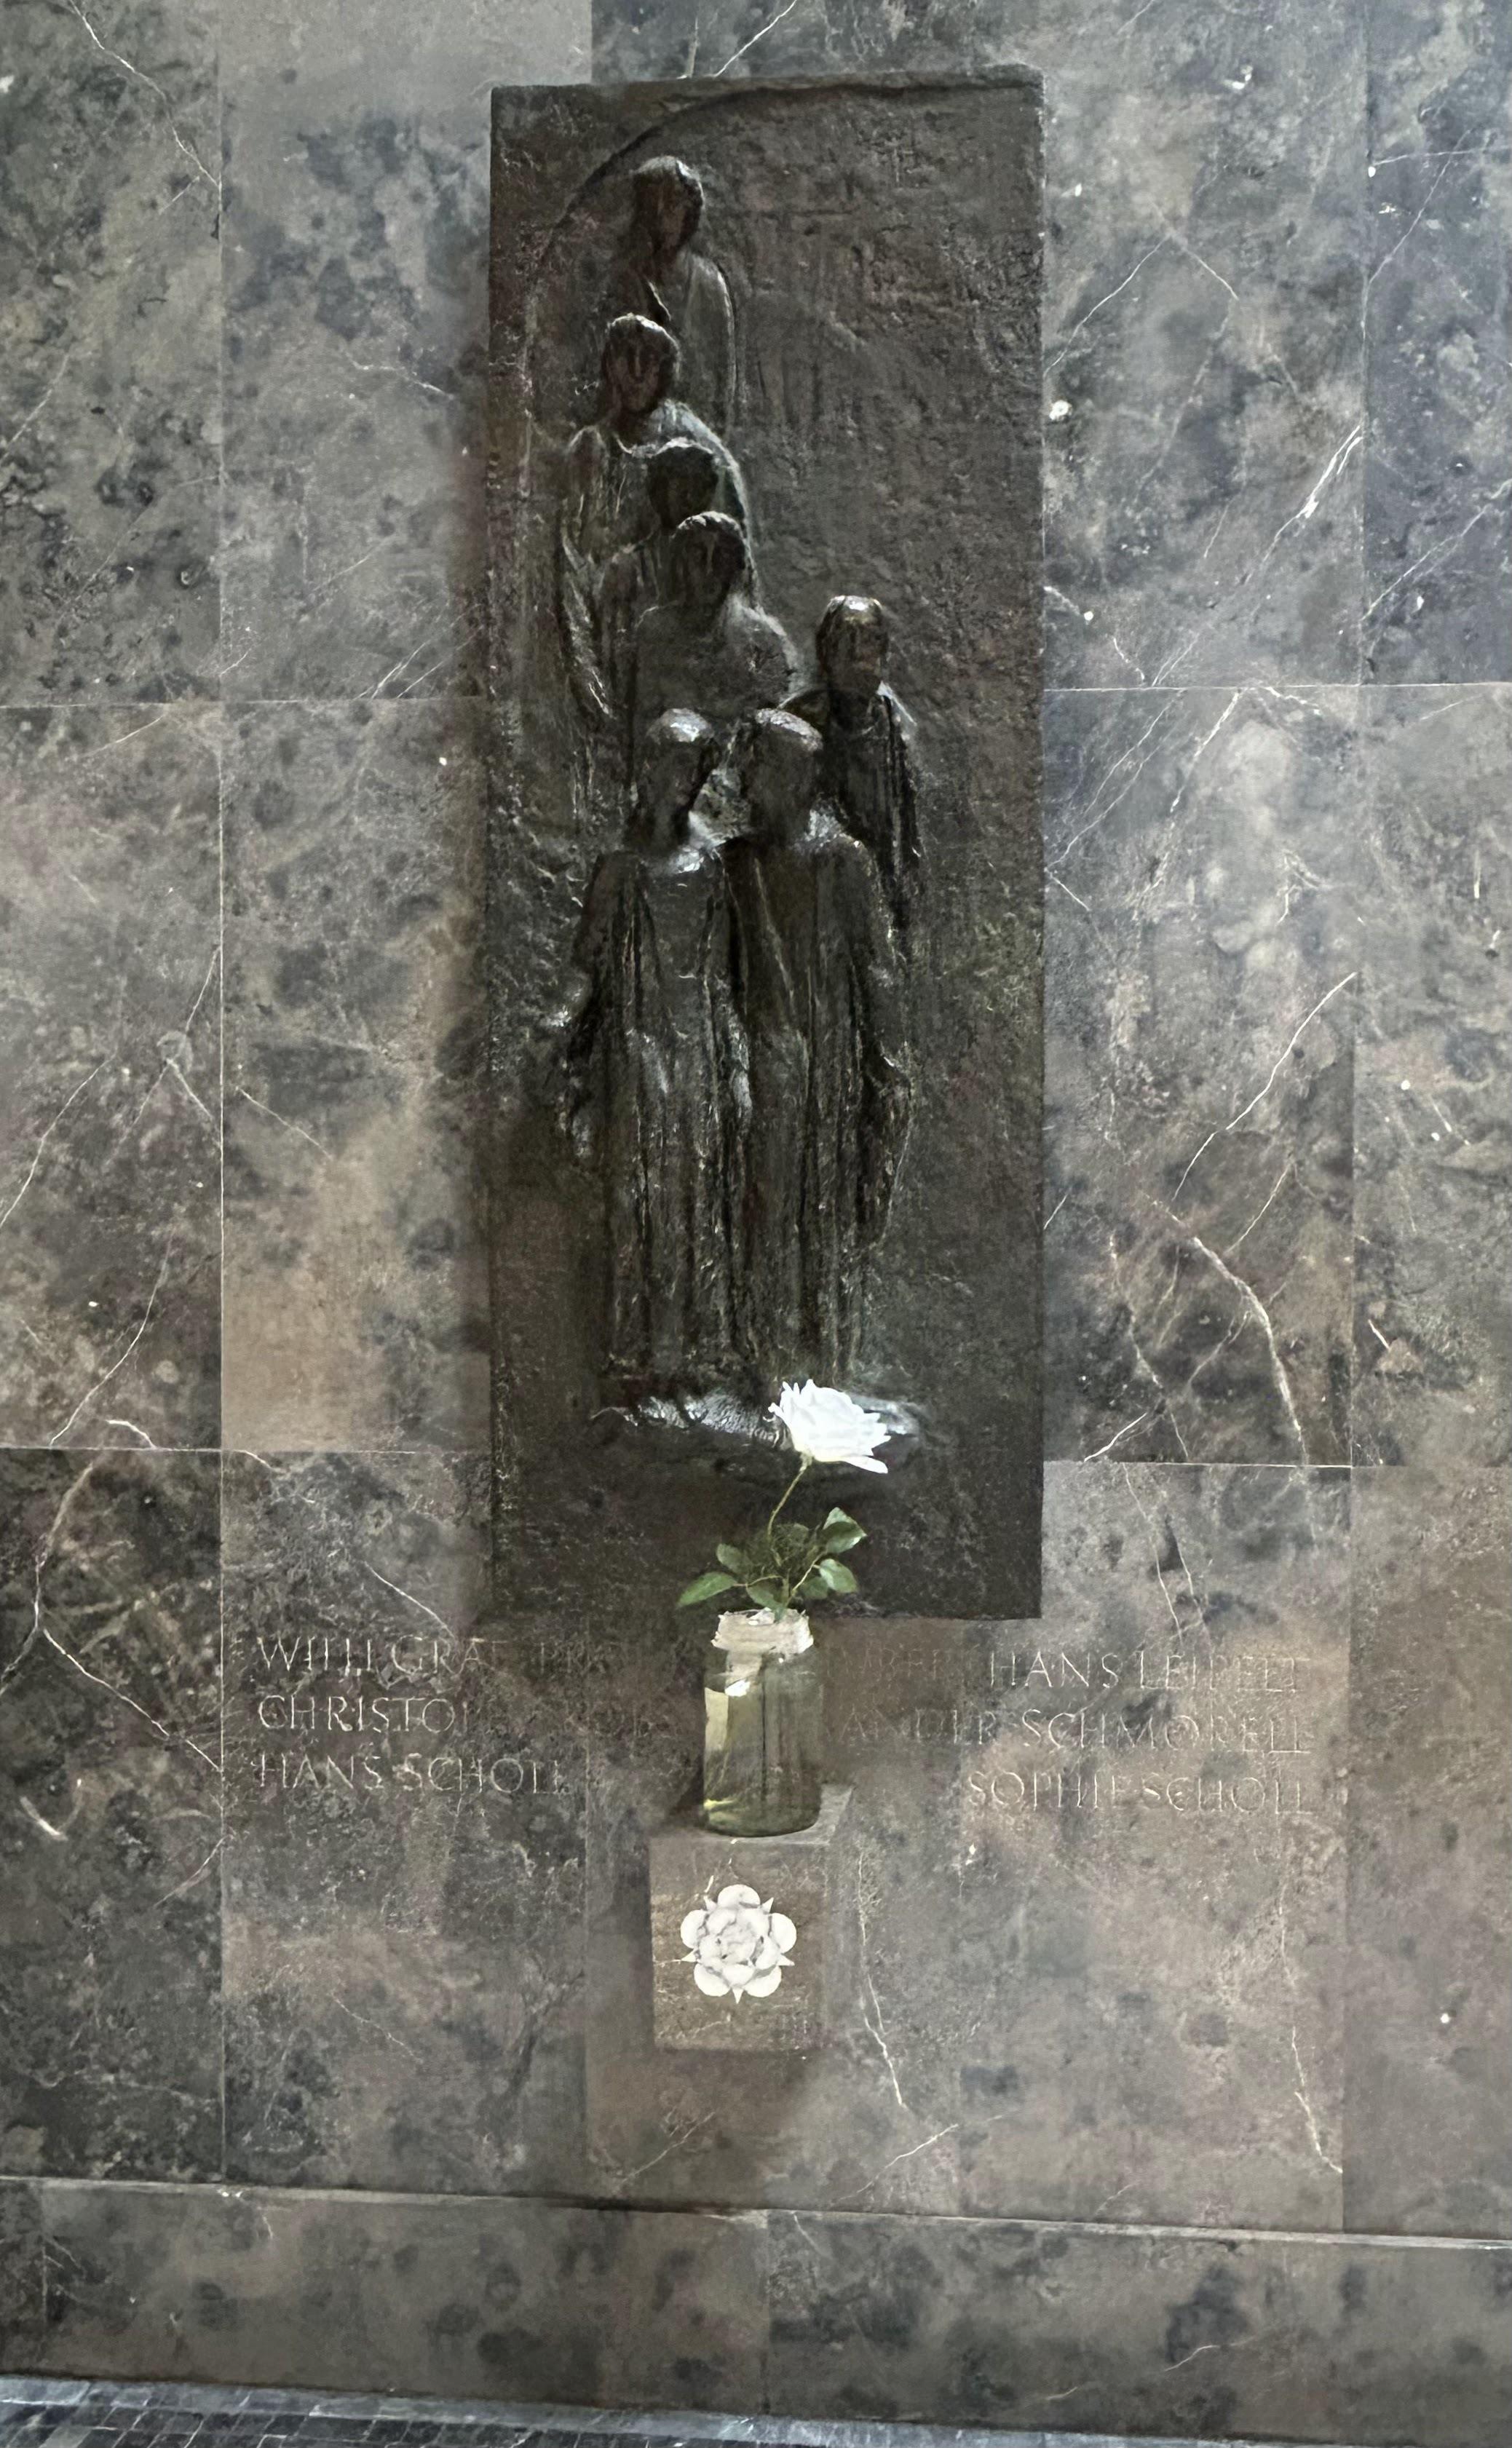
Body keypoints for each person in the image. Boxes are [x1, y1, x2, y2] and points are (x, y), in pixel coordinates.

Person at [558, 710, 743, 1399]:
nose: (684, 779)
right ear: (648, 768)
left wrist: (736, 1063)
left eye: (695, 767)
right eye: (673, 763)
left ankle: (697, 1354)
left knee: (697, 1195)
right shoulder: (620, 867)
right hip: (637, 1049)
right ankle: (637, 1355)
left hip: (698, 1051)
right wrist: (558, 1023)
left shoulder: (711, 866)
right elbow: (585, 965)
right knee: (642, 1195)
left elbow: (722, 976)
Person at [722, 710, 910, 1385]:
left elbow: (877, 972)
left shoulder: (843, 861)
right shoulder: (735, 864)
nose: (744, 784)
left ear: (792, 778)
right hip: (761, 1066)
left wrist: (890, 1071)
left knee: (828, 1218)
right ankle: (764, 1369)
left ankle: (826, 1373)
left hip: (830, 1067)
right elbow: (717, 975)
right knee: (764, 1214)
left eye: (756, 768)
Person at [557, 316, 747, 768]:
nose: (638, 371)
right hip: (615, 635)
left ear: (666, 369)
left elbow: (735, 559)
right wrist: (584, 668)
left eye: (650, 359)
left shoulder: (699, 446)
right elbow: (571, 565)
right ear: (610, 365)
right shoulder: (590, 450)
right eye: (628, 357)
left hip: (690, 652)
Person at [786, 594, 922, 946]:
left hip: (882, 896)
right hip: (814, 897)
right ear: (825, 651)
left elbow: (910, 832)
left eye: (870, 639)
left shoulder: (897, 730)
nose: (858, 653)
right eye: (847, 638)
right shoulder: (797, 723)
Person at [630, 512, 795, 764]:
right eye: (698, 557)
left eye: (721, 558)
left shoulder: (763, 640)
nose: (709, 570)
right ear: (681, 565)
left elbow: (768, 735)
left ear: (735, 566)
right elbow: (641, 722)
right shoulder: (654, 631)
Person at [596, 438, 723, 733]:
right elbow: (614, 661)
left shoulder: (722, 568)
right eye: (680, 485)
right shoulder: (628, 569)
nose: (689, 497)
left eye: (698, 486)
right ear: (657, 494)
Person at [603, 156, 736, 432]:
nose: (662, 214)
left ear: (689, 210)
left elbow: (721, 382)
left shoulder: (709, 284)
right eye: (652, 203)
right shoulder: (623, 282)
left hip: (697, 435)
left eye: (673, 203)